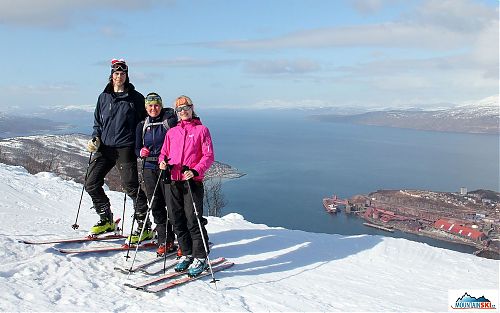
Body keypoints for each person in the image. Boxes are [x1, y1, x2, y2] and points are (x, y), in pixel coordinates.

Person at [85, 58, 152, 243]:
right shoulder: (103, 97)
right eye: (116, 73)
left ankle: (144, 226)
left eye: (122, 74)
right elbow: (98, 122)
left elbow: (144, 122)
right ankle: (106, 219)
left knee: (131, 187)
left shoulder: (136, 98)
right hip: (105, 147)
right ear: (111, 75)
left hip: (125, 147)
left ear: (126, 75)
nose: (119, 76)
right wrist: (95, 137)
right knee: (91, 182)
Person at [159, 95, 214, 277]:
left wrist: (196, 170)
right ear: (176, 112)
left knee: (193, 219)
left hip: (192, 182)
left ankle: (200, 256)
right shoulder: (172, 132)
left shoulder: (201, 130)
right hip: (173, 180)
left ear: (192, 108)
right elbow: (164, 153)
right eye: (180, 109)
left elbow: (208, 156)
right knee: (176, 219)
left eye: (186, 108)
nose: (183, 112)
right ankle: (187, 252)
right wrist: (162, 163)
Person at [135, 92, 178, 255]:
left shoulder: (169, 121)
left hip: (167, 168)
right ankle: (164, 240)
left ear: (161, 105)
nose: (153, 108)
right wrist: (141, 152)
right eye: (150, 106)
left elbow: (179, 140)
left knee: (173, 206)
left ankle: (181, 241)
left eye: (156, 105)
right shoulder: (142, 124)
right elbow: (136, 148)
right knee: (157, 206)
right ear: (146, 107)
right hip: (149, 169)